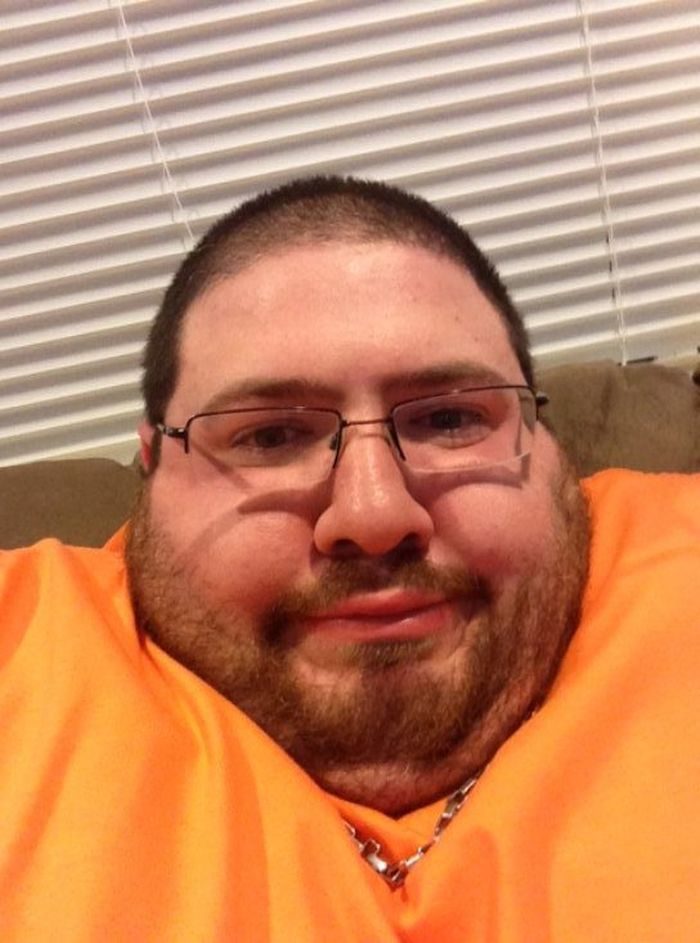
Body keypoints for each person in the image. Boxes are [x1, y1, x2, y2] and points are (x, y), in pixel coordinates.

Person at [1, 176, 698, 942]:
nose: (373, 516)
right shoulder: (22, 639)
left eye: (451, 418)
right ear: (151, 465)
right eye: (270, 436)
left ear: (545, 439)